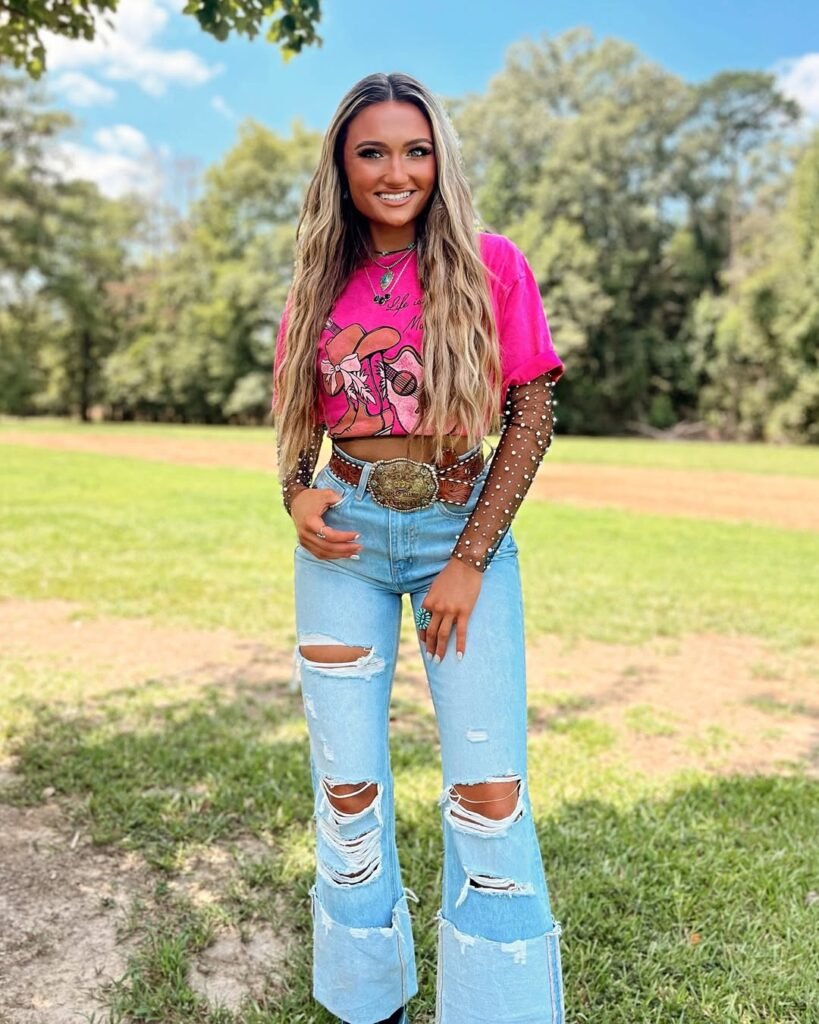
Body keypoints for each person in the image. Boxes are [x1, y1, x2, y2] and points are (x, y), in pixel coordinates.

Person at [271, 70, 566, 1024]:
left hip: (458, 524)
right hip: (345, 542)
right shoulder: (317, 278)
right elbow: (294, 420)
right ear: (342, 166)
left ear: (437, 159)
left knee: (489, 790)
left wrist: (470, 557)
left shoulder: (489, 264)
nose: (395, 171)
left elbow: (531, 410)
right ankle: (369, 1005)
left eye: (414, 149)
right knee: (346, 790)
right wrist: (294, 493)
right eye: (371, 152)